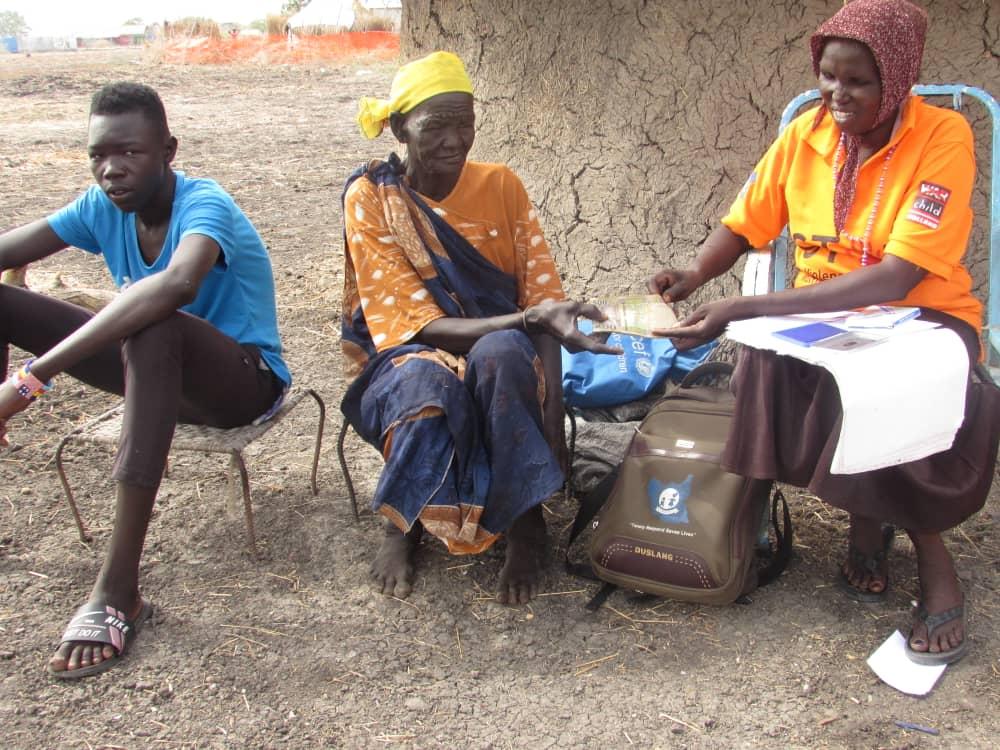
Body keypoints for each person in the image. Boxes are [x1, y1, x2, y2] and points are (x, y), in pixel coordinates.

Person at [648, 0, 1000, 665]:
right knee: (764, 362)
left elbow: (895, 278)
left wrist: (745, 308)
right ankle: (854, 520)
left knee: (889, 381)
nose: (838, 95)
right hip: (824, 315)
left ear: (895, 80)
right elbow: (746, 222)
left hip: (924, 316)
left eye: (858, 81)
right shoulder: (805, 133)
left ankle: (931, 557)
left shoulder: (943, 136)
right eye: (828, 77)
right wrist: (694, 275)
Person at [0, 82, 290, 678]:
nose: (111, 170)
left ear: (168, 150)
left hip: (239, 386)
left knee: (155, 320)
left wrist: (31, 379)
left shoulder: (206, 204)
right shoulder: (102, 206)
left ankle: (117, 588)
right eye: (98, 155)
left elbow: (178, 286)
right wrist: (14, 270)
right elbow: (12, 244)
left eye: (129, 152)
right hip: (155, 378)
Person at [342, 51, 620, 605]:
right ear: (399, 129)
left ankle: (525, 522)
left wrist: (551, 418)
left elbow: (545, 306)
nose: (453, 139)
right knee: (425, 383)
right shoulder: (372, 199)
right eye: (435, 125)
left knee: (501, 353)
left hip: (504, 347)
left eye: (463, 123)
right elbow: (409, 324)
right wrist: (528, 319)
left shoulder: (502, 187)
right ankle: (403, 525)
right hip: (412, 349)